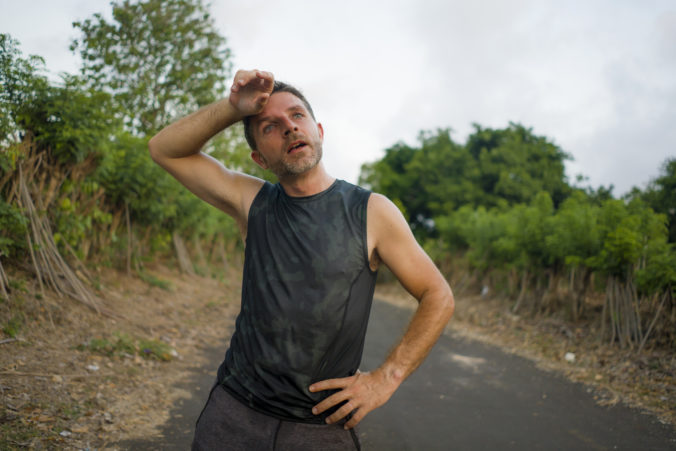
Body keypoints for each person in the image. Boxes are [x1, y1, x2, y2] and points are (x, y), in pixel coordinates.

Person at [148, 69, 455, 450]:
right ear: (259, 158)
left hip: (321, 428)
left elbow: (437, 294)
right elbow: (164, 149)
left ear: (318, 131)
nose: (289, 128)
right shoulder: (252, 202)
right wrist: (234, 107)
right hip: (233, 415)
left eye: (297, 116)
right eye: (270, 126)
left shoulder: (371, 211)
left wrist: (385, 378)